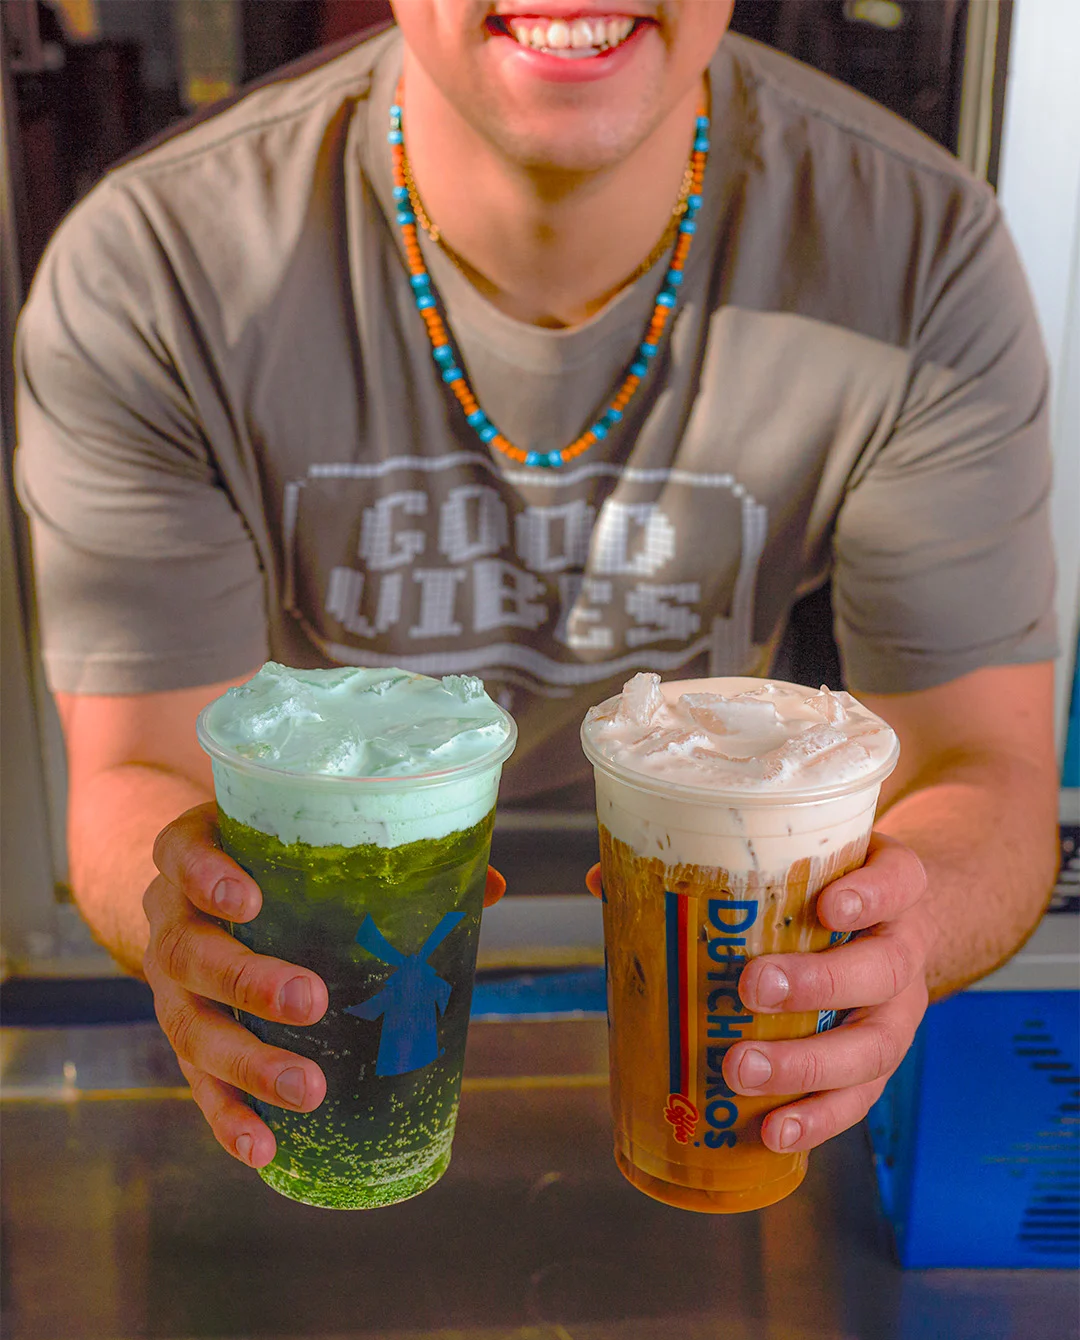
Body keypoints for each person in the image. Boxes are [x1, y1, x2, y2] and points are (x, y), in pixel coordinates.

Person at [15, 1, 1059, 1175]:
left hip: (715, 962)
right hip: (333, 968)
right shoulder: (154, 271)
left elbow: (987, 772)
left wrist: (902, 931)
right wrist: (192, 920)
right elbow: (133, 775)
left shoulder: (919, 250)